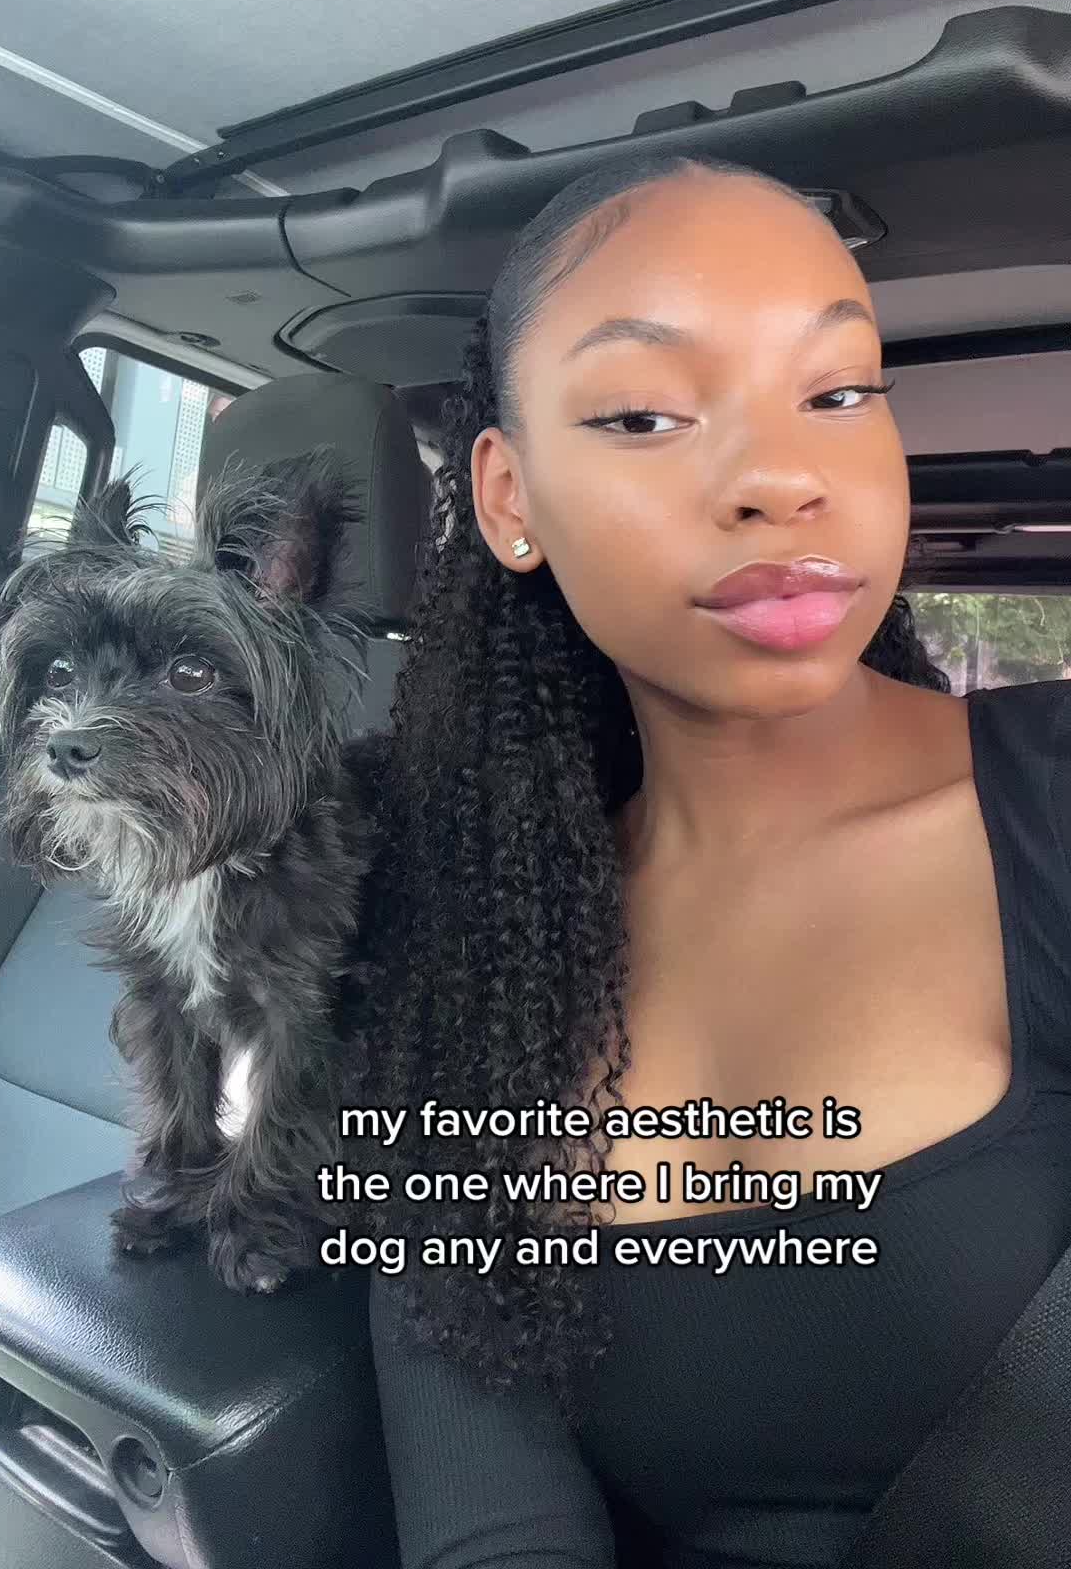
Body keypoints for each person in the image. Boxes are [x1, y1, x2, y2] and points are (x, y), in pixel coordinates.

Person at [356, 152, 1071, 1567]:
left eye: (840, 392)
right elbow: (491, 1521)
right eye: (644, 414)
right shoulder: (471, 969)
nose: (782, 479)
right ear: (508, 496)